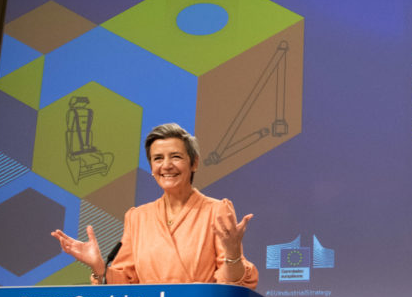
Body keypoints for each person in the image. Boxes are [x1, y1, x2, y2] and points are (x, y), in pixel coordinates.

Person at [52, 123, 259, 288]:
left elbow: (232, 286)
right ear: (151, 167)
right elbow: (126, 283)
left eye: (176, 157)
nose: (166, 165)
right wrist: (99, 267)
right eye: (157, 158)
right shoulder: (137, 217)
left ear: (194, 163)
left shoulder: (216, 210)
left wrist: (232, 254)